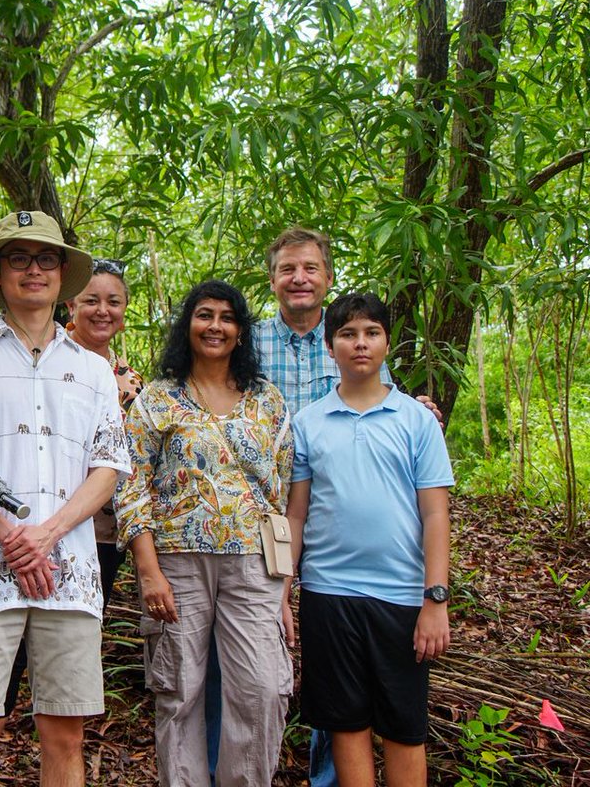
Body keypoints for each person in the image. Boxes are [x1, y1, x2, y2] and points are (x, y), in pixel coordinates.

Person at [0, 210, 131, 786]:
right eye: (19, 258)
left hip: (70, 569)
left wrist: (46, 533)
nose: (33, 270)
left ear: (63, 275)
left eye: (45, 259)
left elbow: (108, 467)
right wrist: (13, 537)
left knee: (65, 734)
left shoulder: (93, 372)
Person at [0, 256, 143, 785]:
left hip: (92, 542)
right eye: (91, 300)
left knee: (64, 694)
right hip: (10, 538)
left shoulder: (126, 381)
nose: (102, 310)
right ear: (71, 303)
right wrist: (22, 536)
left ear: (125, 312)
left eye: (113, 302)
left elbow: (125, 468)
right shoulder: (12, 357)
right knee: (2, 670)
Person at [116, 279, 293, 787]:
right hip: (177, 564)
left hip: (254, 561)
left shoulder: (267, 401)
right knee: (179, 689)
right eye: (204, 315)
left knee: (260, 689)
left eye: (227, 317)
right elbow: (132, 488)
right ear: (187, 325)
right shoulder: (157, 400)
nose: (215, 326)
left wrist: (283, 588)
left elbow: (280, 495)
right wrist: (148, 574)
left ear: (241, 331)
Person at [286, 293, 453, 787]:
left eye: (371, 333)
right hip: (328, 592)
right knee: (345, 722)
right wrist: (283, 590)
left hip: (401, 596)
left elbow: (436, 512)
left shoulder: (416, 420)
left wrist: (435, 599)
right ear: (330, 345)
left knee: (403, 726)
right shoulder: (308, 423)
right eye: (348, 334)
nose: (360, 344)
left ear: (386, 343)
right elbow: (297, 513)